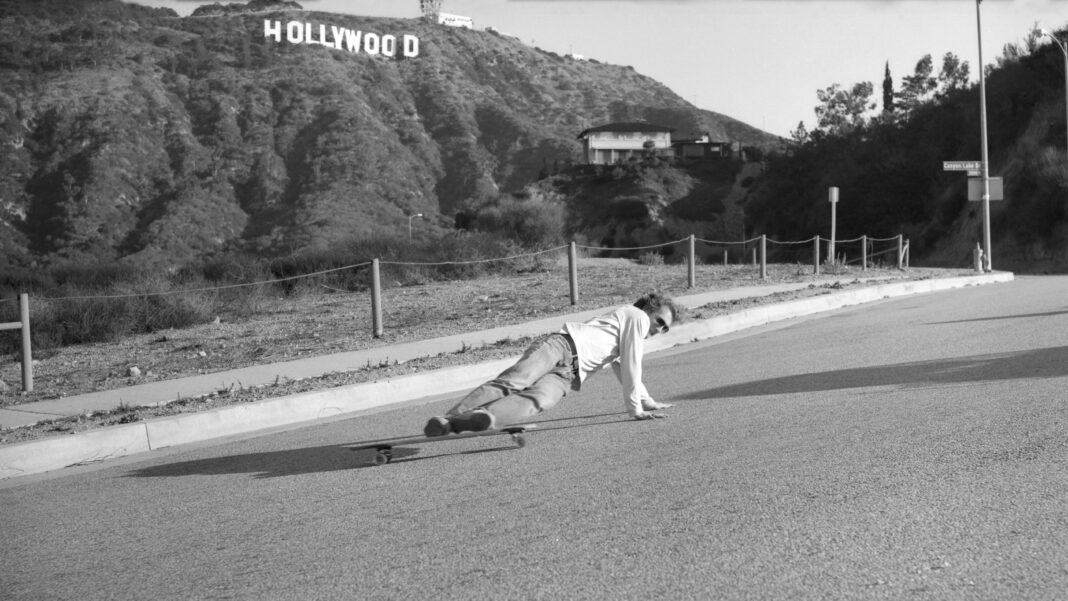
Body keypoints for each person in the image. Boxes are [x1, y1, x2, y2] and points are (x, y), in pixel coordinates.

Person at [423, 292, 681, 436]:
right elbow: (633, 364)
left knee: (537, 401)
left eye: (666, 329)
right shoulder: (636, 316)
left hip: (568, 375)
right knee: (512, 383)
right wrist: (635, 409)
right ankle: (448, 417)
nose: (660, 329)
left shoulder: (629, 329)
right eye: (660, 321)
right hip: (560, 347)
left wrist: (647, 402)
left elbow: (624, 367)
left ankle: (476, 420)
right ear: (649, 309)